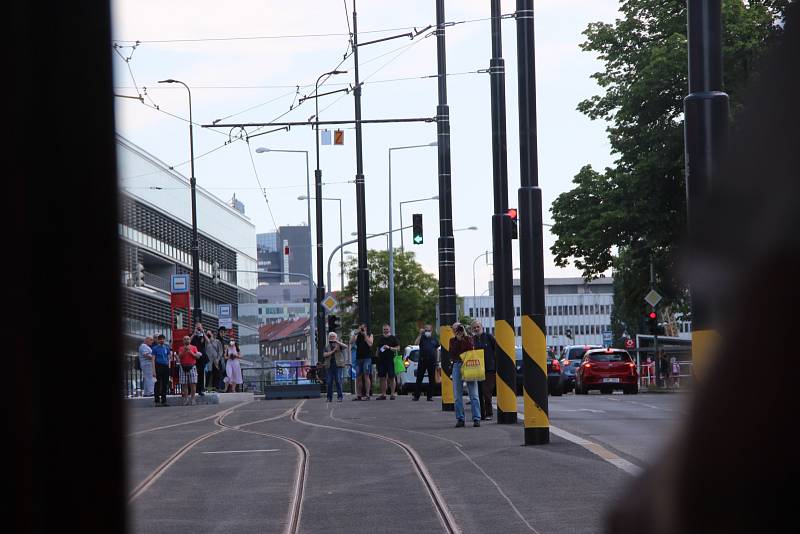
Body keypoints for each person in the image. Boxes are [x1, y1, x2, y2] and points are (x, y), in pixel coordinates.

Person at [449, 322, 481, 427]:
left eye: (459, 328)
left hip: (469, 364)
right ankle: (460, 419)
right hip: (457, 365)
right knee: (458, 395)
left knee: (474, 394)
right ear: (453, 331)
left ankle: (476, 418)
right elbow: (453, 354)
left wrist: (465, 336)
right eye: (456, 329)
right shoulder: (452, 340)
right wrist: (458, 339)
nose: (458, 330)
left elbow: (471, 348)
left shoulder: (469, 338)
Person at [471, 321, 497, 421]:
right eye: (474, 328)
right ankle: (481, 414)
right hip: (476, 369)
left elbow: (496, 349)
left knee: (487, 392)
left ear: (482, 327)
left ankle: (489, 413)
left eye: (478, 327)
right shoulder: (472, 340)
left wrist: (495, 364)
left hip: (489, 369)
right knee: (478, 393)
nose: (476, 329)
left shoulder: (489, 337)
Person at [412, 324, 439, 401]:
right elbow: (416, 343)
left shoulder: (434, 339)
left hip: (432, 361)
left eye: (429, 330)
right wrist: (420, 334)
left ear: (432, 330)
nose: (427, 332)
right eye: (426, 330)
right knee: (419, 378)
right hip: (422, 360)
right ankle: (416, 396)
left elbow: (436, 350)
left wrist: (437, 361)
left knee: (431, 379)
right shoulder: (422, 338)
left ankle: (429, 396)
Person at [374, 324, 400, 400]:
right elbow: (378, 349)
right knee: (382, 377)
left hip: (390, 360)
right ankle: (383, 394)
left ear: (390, 329)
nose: (385, 331)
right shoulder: (380, 338)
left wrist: (389, 347)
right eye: (384, 329)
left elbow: (398, 348)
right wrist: (377, 357)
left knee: (391, 377)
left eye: (387, 329)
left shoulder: (393, 338)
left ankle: (392, 394)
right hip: (381, 361)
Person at [350, 324, 374, 400]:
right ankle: (359, 395)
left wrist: (365, 335)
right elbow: (351, 342)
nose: (362, 329)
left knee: (366, 375)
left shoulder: (370, 334)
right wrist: (355, 333)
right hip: (358, 358)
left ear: (366, 328)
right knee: (358, 376)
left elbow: (370, 344)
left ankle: (367, 395)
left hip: (367, 358)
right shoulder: (357, 335)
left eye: (363, 328)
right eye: (361, 328)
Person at [323, 332, 347, 402]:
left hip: (338, 365)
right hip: (329, 365)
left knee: (338, 381)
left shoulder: (339, 345)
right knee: (329, 382)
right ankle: (329, 397)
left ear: (336, 337)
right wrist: (333, 351)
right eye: (331, 336)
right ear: (328, 338)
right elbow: (324, 355)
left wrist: (337, 342)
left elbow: (346, 346)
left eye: (333, 336)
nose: (332, 337)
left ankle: (340, 397)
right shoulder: (327, 346)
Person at [177, 335, 199, 406]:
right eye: (185, 339)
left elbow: (197, 356)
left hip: (192, 366)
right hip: (183, 367)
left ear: (190, 340)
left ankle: (193, 399)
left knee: (193, 383)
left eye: (188, 339)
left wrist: (190, 352)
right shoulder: (181, 348)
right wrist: (184, 351)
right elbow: (179, 357)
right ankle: (186, 399)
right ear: (183, 341)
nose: (186, 340)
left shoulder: (194, 347)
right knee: (184, 384)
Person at [151, 334, 172, 407]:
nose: (162, 340)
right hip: (158, 366)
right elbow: (153, 359)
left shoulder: (167, 348)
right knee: (157, 384)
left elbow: (169, 358)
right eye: (160, 339)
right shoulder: (155, 348)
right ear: (158, 340)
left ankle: (164, 401)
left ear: (164, 340)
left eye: (163, 339)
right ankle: (157, 401)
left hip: (165, 367)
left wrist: (169, 367)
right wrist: (153, 370)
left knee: (165, 384)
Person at [190, 322, 209, 396]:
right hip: (194, 356)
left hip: (202, 357)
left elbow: (208, 341)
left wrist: (203, 332)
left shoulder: (203, 335)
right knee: (193, 374)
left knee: (201, 373)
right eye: (197, 327)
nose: (198, 328)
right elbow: (189, 341)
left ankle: (201, 389)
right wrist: (194, 333)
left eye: (199, 327)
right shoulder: (193, 335)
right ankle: (194, 390)